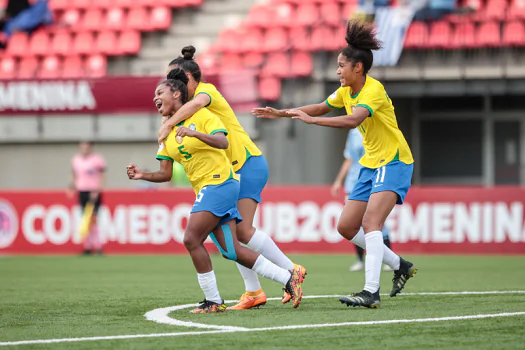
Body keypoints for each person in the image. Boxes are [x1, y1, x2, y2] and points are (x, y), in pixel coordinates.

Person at [253, 19, 417, 309]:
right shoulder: (345, 92)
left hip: (393, 161)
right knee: (346, 226)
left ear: (358, 68)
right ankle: (400, 265)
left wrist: (312, 121)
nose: (338, 71)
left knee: (370, 223)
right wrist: (282, 113)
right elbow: (319, 106)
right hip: (370, 163)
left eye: (342, 65)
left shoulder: (373, 91)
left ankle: (370, 292)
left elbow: (353, 120)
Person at [127, 77, 304, 313]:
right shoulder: (165, 134)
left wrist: (194, 134)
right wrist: (142, 175)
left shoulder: (201, 116)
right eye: (154, 95)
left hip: (220, 183)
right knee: (231, 251)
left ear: (177, 94)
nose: (155, 98)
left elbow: (222, 141)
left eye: (160, 92)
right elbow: (165, 173)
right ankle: (287, 278)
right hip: (208, 189)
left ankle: (213, 301)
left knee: (191, 239)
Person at [332, 129, 394, 272]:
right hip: (354, 182)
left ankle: (389, 260)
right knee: (353, 222)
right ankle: (360, 260)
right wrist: (338, 181)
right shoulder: (353, 132)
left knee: (376, 221)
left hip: (373, 179)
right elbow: (350, 159)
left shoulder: (377, 126)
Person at [68, 141, 105, 255]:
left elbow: (102, 176)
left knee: (93, 219)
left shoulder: (97, 159)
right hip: (82, 191)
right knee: (85, 219)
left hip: (93, 191)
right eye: (83, 147)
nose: (85, 149)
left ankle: (97, 246)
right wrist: (71, 187)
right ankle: (88, 246)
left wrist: (98, 189)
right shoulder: (76, 160)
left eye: (87, 147)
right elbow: (74, 175)